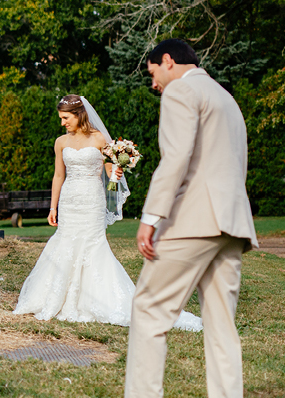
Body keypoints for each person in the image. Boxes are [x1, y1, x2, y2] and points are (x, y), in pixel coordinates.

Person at [96, 38, 257, 398]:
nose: (154, 84)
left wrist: (151, 217)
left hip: (193, 221)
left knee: (149, 307)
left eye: (153, 73)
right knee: (222, 327)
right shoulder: (225, 98)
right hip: (233, 224)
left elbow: (176, 157)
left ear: (168, 61)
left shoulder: (182, 91)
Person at [12, 94, 203, 331]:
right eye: (61, 118)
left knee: (93, 246)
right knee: (65, 243)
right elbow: (58, 176)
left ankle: (96, 299)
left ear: (79, 115)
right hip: (70, 201)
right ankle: (56, 299)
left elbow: (111, 180)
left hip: (93, 200)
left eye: (65, 118)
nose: (62, 123)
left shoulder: (100, 138)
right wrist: (53, 207)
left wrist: (116, 175)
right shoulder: (60, 142)